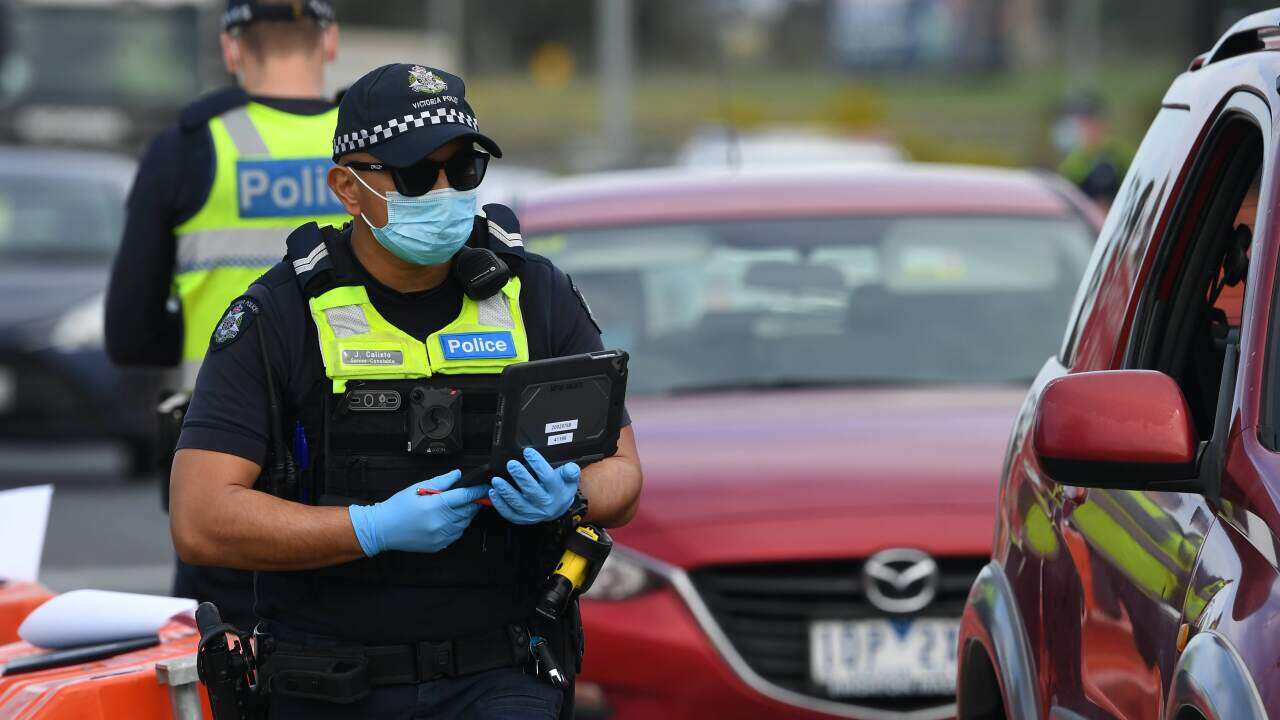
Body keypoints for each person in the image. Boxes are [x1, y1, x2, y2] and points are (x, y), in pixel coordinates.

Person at [169, 64, 643, 719]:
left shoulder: (536, 294)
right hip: (330, 681)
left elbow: (622, 471)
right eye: (419, 174)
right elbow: (200, 518)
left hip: (502, 670)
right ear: (348, 187)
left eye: (465, 169)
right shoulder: (280, 316)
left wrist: (574, 494)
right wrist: (368, 529)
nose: (446, 191)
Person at [104, 0, 345, 629]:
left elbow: (128, 332)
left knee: (222, 665)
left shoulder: (187, 147)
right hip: (370, 456)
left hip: (224, 465)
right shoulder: (378, 142)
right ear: (331, 42)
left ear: (232, 47)